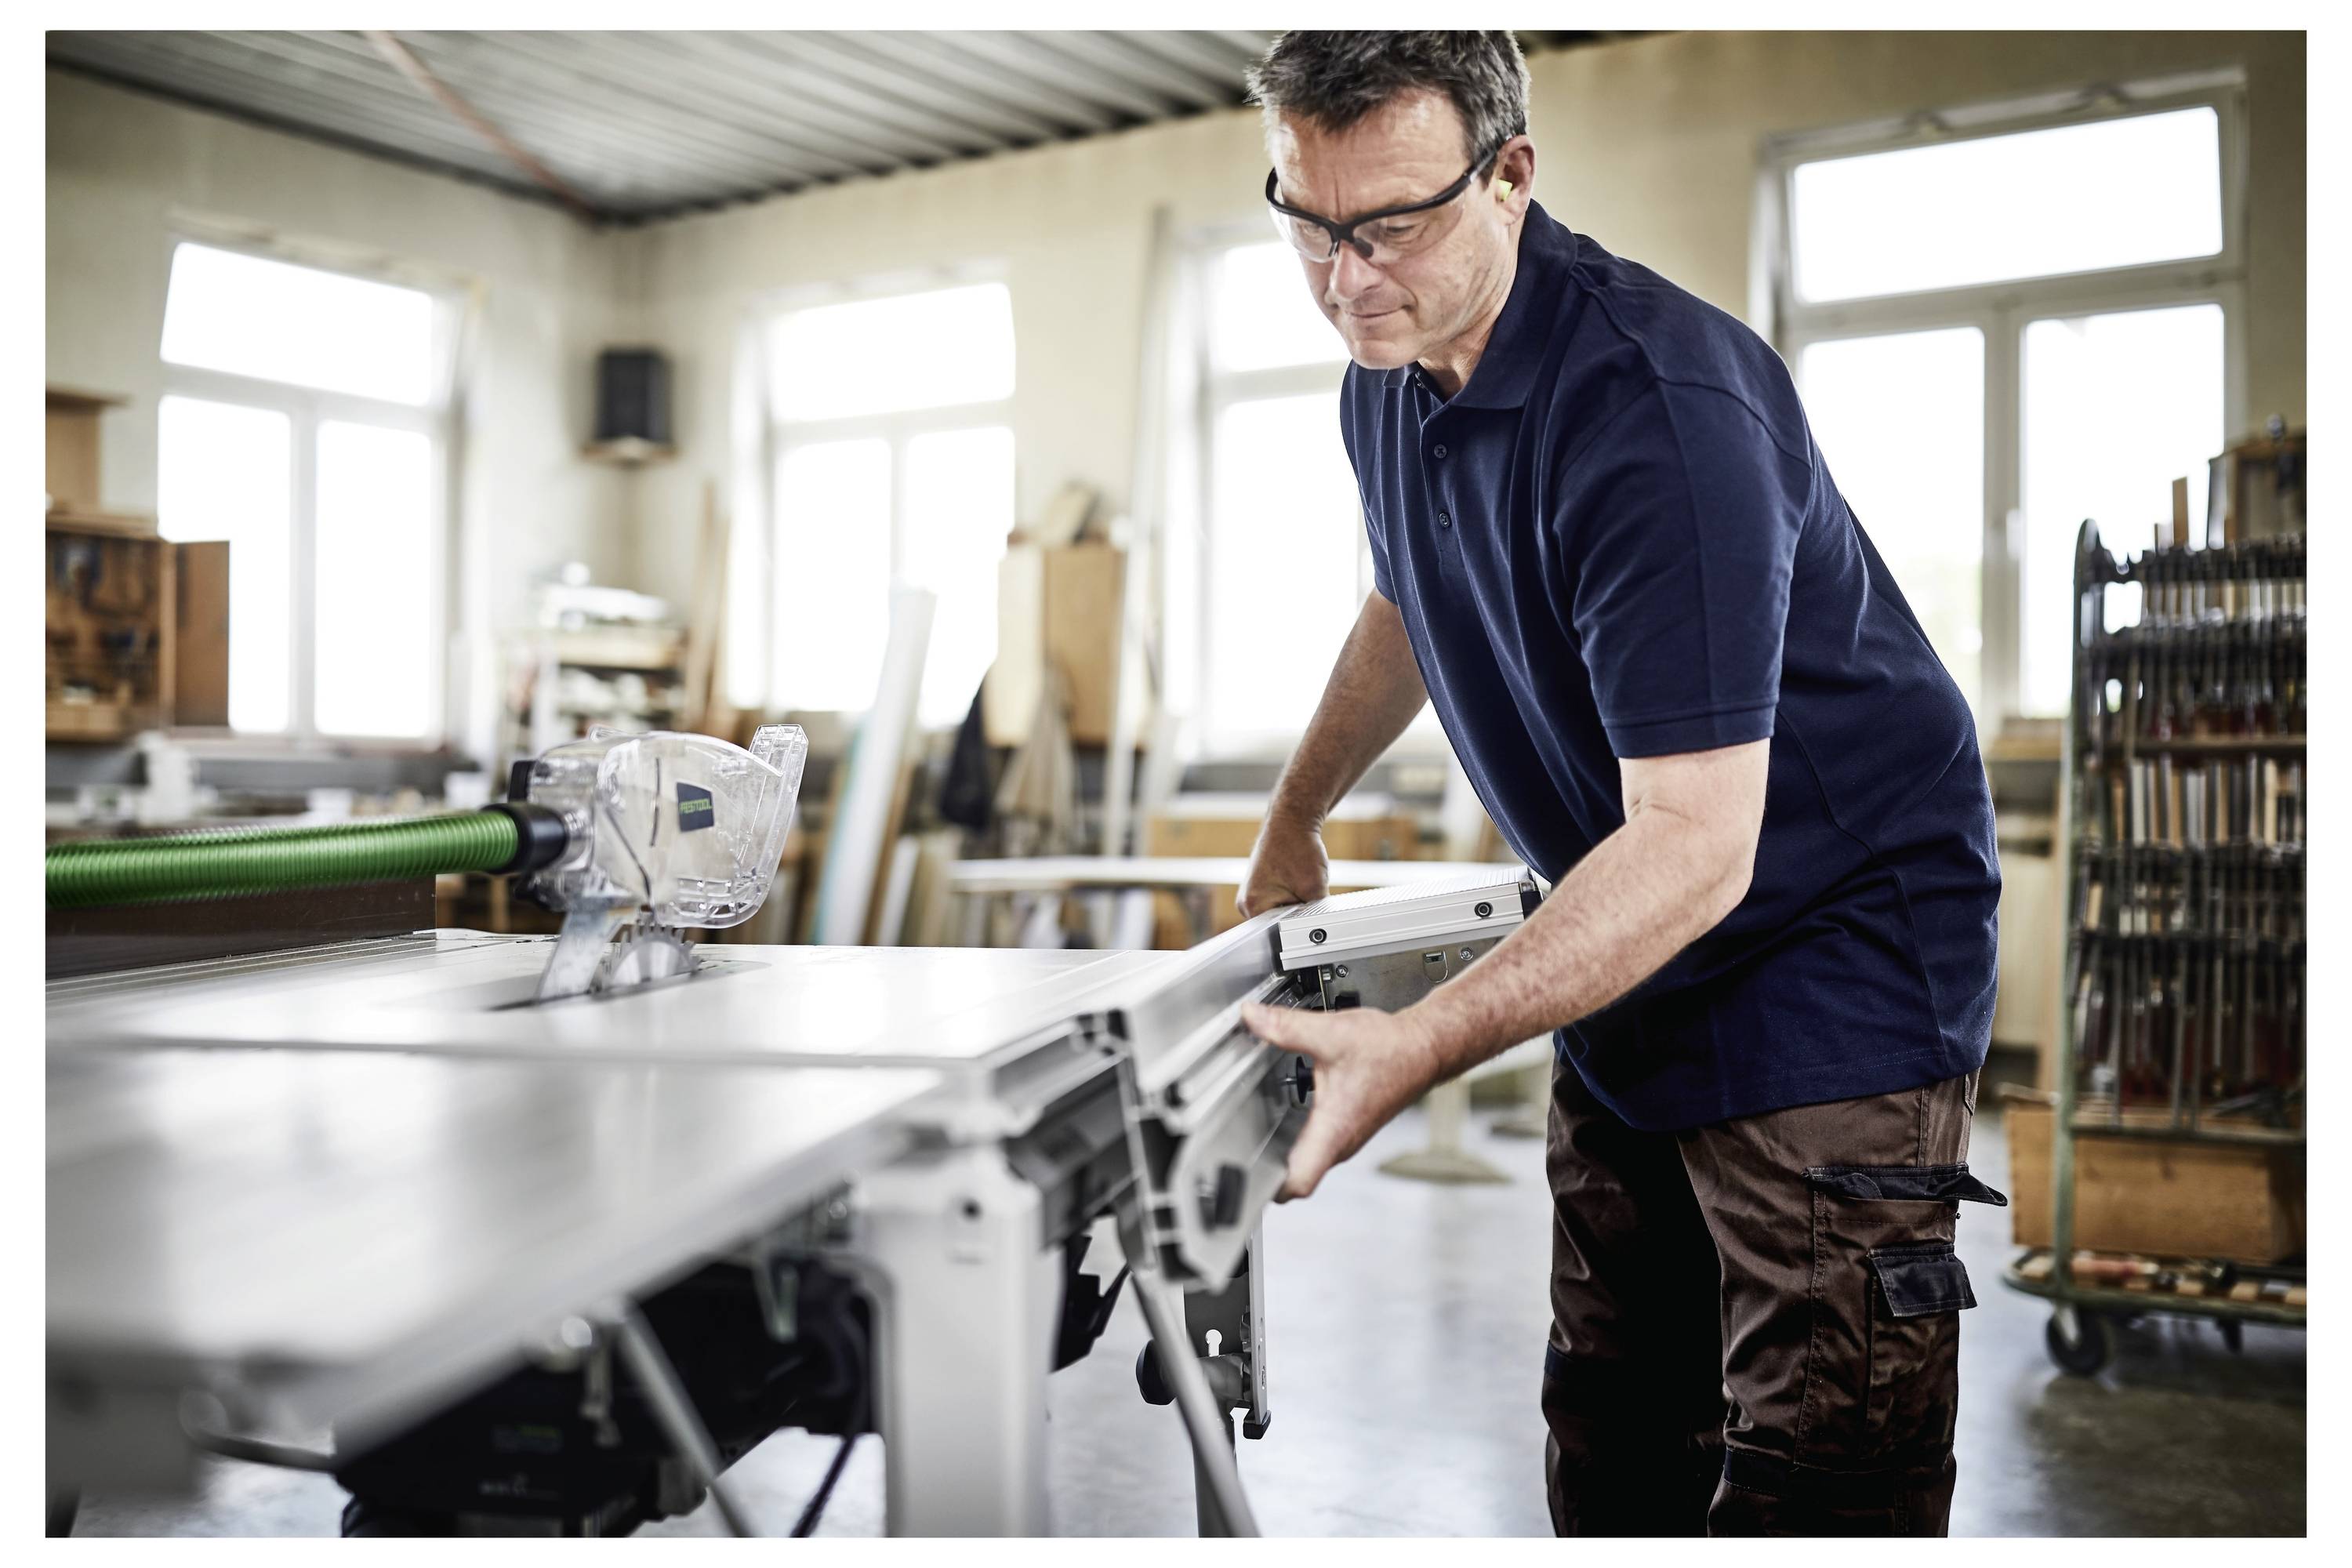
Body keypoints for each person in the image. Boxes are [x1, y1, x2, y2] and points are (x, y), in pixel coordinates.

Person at [1230, 31, 2005, 1537]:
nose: (1346, 279)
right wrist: (1293, 815)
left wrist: (1419, 1045)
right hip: (1626, 929)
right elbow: (1410, 591)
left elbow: (1701, 848)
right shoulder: (1389, 370)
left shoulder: (1659, 410)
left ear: (1510, 176)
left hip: (1822, 944)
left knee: (1818, 1462)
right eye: (1309, 226)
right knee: (1616, 1412)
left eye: (1390, 224)